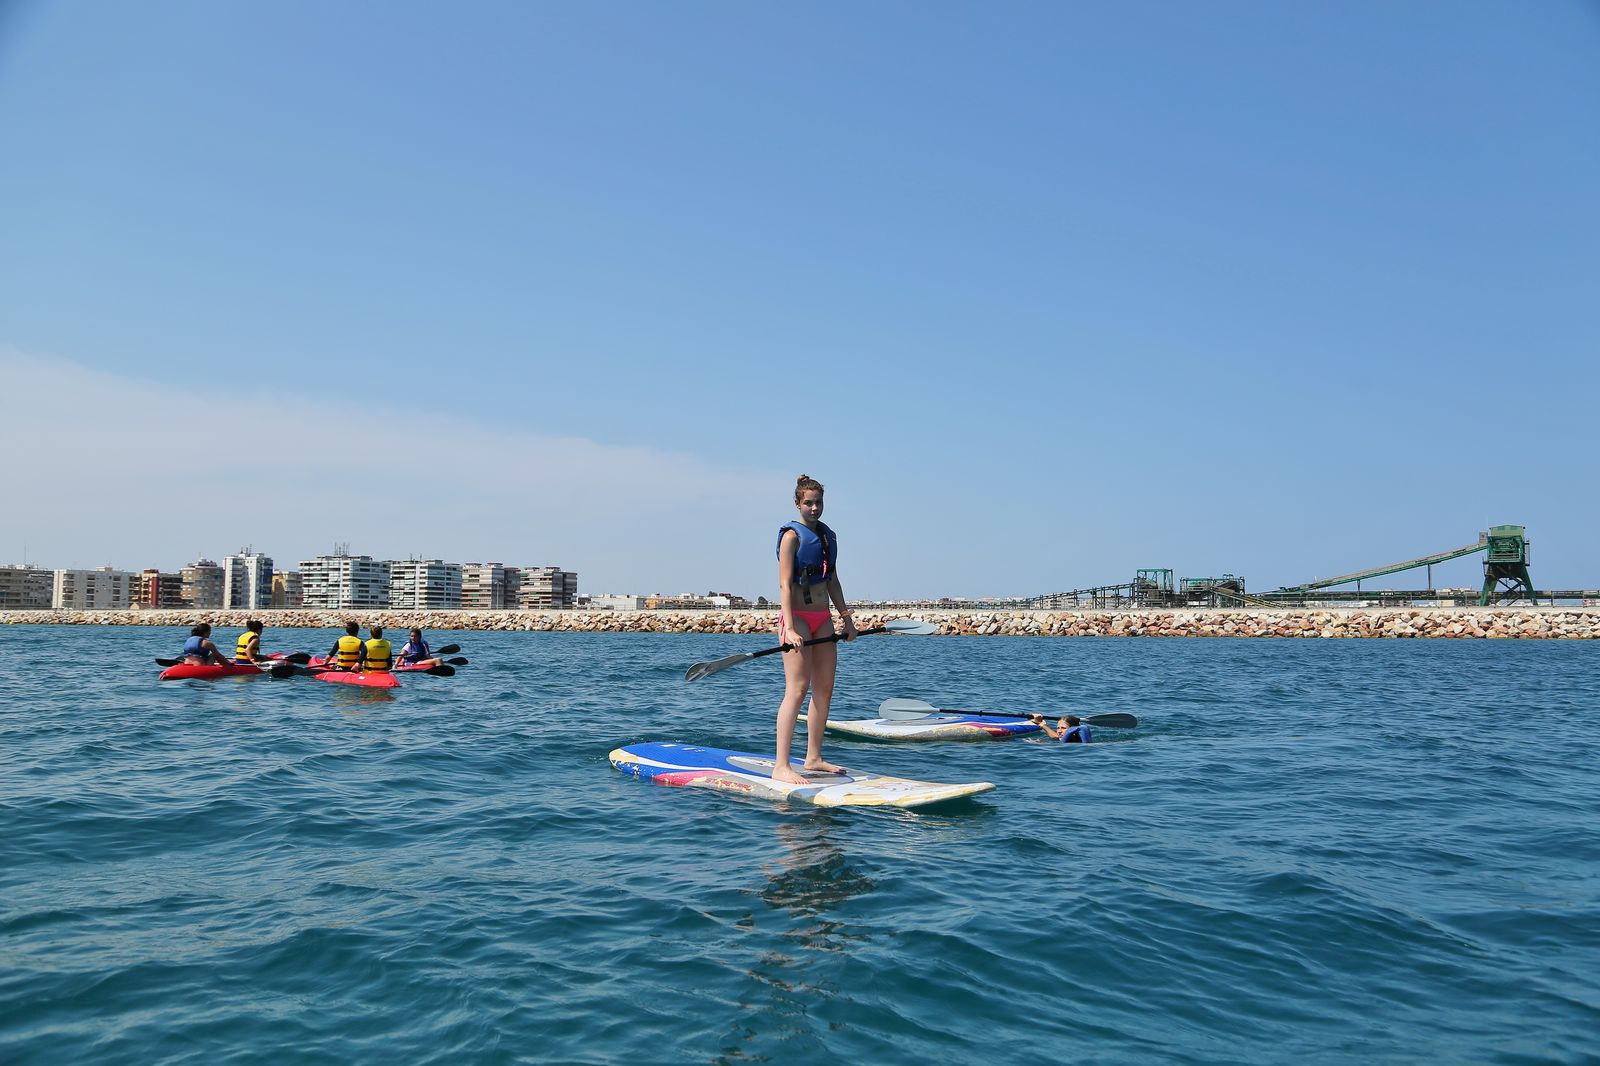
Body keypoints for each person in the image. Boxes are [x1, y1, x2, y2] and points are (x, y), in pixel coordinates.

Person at [771, 474, 857, 785]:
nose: (814, 507)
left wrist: (846, 619)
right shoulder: (791, 537)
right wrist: (790, 628)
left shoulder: (826, 537)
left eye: (818, 502)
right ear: (797, 504)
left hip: (823, 618)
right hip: (798, 620)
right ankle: (781, 765)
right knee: (796, 690)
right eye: (808, 502)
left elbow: (831, 580)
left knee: (824, 688)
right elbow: (784, 584)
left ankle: (814, 757)